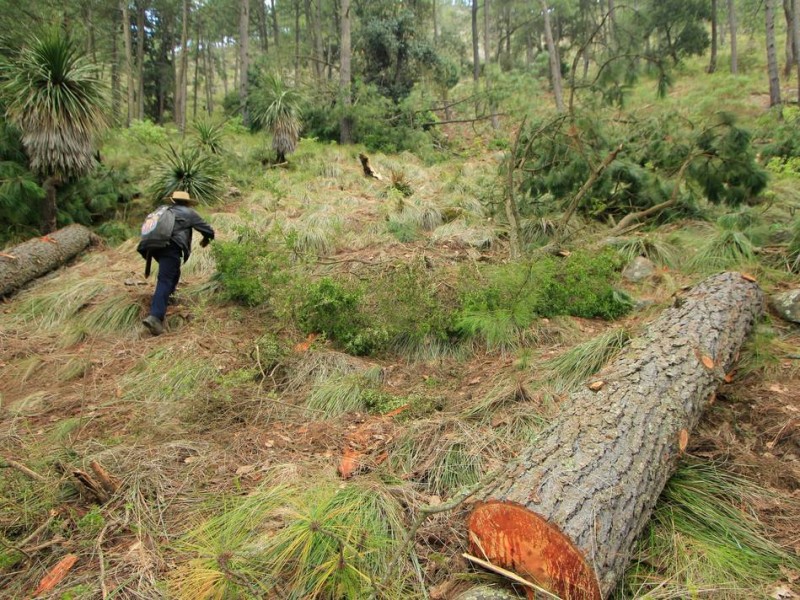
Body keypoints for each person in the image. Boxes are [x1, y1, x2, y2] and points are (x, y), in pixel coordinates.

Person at [139, 190, 215, 336]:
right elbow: (209, 231)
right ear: (187, 202)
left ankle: (168, 298)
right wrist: (205, 240)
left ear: (173, 201)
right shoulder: (189, 212)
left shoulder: (163, 211)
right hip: (170, 246)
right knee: (165, 279)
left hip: (154, 247)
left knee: (173, 272)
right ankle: (155, 317)